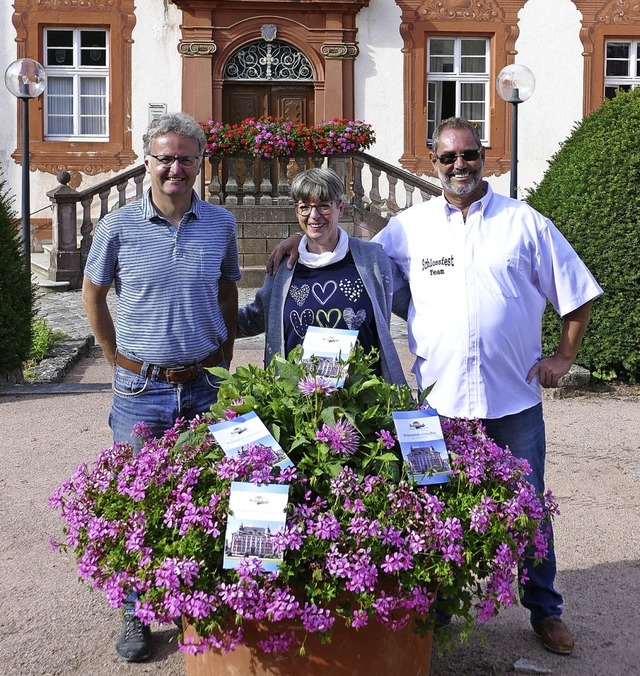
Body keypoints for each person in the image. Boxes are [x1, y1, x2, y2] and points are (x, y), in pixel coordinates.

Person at [267, 118, 603, 656]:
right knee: (432, 506)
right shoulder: (410, 227)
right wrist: (302, 238)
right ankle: (440, 606)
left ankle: (544, 608)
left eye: (468, 154)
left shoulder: (524, 222)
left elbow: (578, 290)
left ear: (484, 156)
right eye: (448, 158)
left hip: (513, 401)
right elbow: (352, 255)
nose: (459, 165)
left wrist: (565, 356)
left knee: (529, 507)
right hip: (434, 406)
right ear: (432, 162)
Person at [82, 112, 240, 662]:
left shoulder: (221, 223)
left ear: (201, 164)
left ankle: (200, 602)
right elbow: (94, 297)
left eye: (185, 157)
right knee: (136, 501)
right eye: (164, 157)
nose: (175, 166)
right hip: (141, 390)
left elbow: (227, 295)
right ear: (147, 163)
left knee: (207, 497)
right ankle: (134, 610)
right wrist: (113, 357)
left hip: (203, 386)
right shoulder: (117, 226)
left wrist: (222, 356)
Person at [238, 167, 406, 386]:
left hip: (364, 400)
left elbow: (413, 307)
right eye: (304, 207)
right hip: (300, 405)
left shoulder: (373, 260)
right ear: (296, 211)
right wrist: (204, 323)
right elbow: (256, 317)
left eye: (324, 206)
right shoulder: (284, 267)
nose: (314, 215)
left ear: (341, 208)